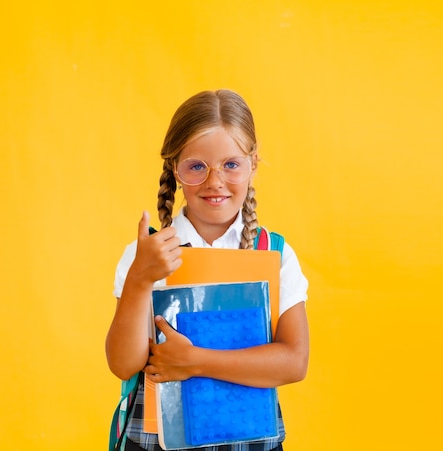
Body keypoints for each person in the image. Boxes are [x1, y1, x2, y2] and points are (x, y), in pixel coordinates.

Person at [106, 89, 309, 451]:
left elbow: (294, 362)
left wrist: (195, 362)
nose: (215, 181)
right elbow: (123, 365)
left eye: (231, 164)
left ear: (253, 164)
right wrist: (140, 278)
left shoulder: (274, 253)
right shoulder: (147, 255)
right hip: (156, 440)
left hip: (251, 437)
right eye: (197, 166)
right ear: (176, 170)